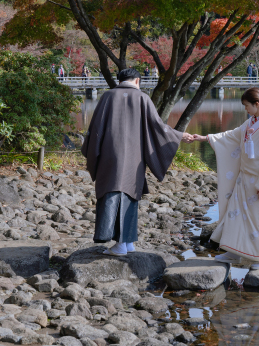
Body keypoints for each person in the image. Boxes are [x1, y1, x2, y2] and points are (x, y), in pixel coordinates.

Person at [81, 68, 193, 256]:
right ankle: (127, 242)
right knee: (130, 194)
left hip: (109, 153)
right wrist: (180, 135)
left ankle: (122, 244)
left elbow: (96, 127)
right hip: (134, 156)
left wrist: (93, 151)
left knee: (111, 192)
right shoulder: (142, 98)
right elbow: (157, 127)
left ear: (120, 80)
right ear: (137, 81)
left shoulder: (107, 97)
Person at [192, 87, 259, 270]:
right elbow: (230, 136)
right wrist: (204, 138)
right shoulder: (250, 124)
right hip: (244, 179)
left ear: (257, 105)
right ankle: (235, 250)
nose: (245, 109)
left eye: (247, 105)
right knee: (236, 215)